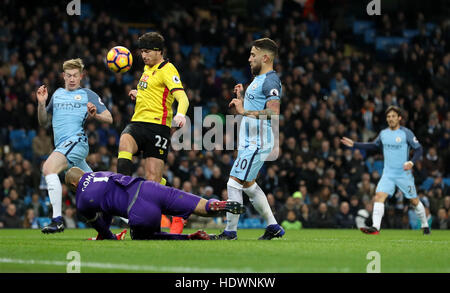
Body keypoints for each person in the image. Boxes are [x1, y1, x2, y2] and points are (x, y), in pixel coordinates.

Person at [117, 32, 189, 234]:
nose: (143, 56)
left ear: (158, 51)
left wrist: (181, 114)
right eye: (141, 52)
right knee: (125, 141)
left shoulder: (168, 69)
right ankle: (123, 198)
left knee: (152, 183)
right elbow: (153, 93)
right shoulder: (147, 69)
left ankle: (178, 212)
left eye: (147, 52)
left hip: (158, 127)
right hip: (138, 122)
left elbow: (182, 98)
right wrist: (138, 94)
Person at [37, 58, 113, 234]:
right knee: (96, 188)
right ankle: (130, 219)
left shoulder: (88, 94)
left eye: (75, 76)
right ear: (63, 76)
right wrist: (41, 104)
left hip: (76, 142)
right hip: (64, 147)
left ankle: (57, 220)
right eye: (69, 75)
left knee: (48, 168)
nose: (72, 79)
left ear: (81, 76)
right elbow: (43, 123)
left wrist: (96, 115)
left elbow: (109, 117)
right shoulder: (56, 94)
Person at [64, 167, 245, 240]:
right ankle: (215, 205)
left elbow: (102, 228)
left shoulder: (81, 201)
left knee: (143, 237)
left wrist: (109, 237)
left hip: (138, 209)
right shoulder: (99, 173)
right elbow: (107, 199)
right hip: (148, 187)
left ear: (73, 184)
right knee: (202, 208)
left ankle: (190, 237)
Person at [222, 38, 284, 240]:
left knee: (234, 182)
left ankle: (230, 232)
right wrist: (241, 98)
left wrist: (244, 109)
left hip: (258, 142)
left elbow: (274, 113)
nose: (249, 59)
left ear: (265, 57)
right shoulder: (258, 80)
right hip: (250, 141)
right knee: (248, 185)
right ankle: (273, 226)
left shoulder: (271, 80)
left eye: (253, 55)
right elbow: (253, 109)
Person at [340, 106, 429, 235]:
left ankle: (425, 224)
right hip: (388, 174)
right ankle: (376, 227)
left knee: (414, 201)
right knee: (379, 196)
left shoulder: (406, 133)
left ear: (399, 118)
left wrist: (411, 162)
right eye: (388, 117)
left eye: (393, 116)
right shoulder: (383, 133)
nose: (390, 119)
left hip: (403, 174)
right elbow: (373, 145)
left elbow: (419, 149)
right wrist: (354, 144)